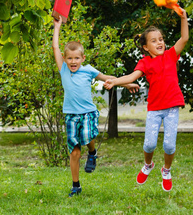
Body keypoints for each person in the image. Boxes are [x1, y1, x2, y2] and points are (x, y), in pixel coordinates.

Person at [52, 17, 139, 197]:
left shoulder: (88, 70)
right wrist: (57, 27)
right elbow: (55, 48)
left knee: (86, 137)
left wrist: (127, 84)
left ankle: (92, 152)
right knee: (74, 152)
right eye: (69, 58)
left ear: (83, 58)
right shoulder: (64, 70)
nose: (73, 61)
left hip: (88, 112)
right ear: (65, 59)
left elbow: (108, 78)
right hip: (71, 115)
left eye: (77, 58)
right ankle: (76, 185)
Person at [104, 9, 189, 192]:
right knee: (149, 144)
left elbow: (184, 39)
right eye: (154, 40)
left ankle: (166, 170)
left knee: (169, 144)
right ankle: (148, 165)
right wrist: (115, 81)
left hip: (172, 107)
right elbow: (132, 76)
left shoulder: (171, 55)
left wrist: (183, 18)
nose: (159, 42)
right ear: (145, 47)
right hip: (155, 109)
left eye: (161, 39)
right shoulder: (145, 63)